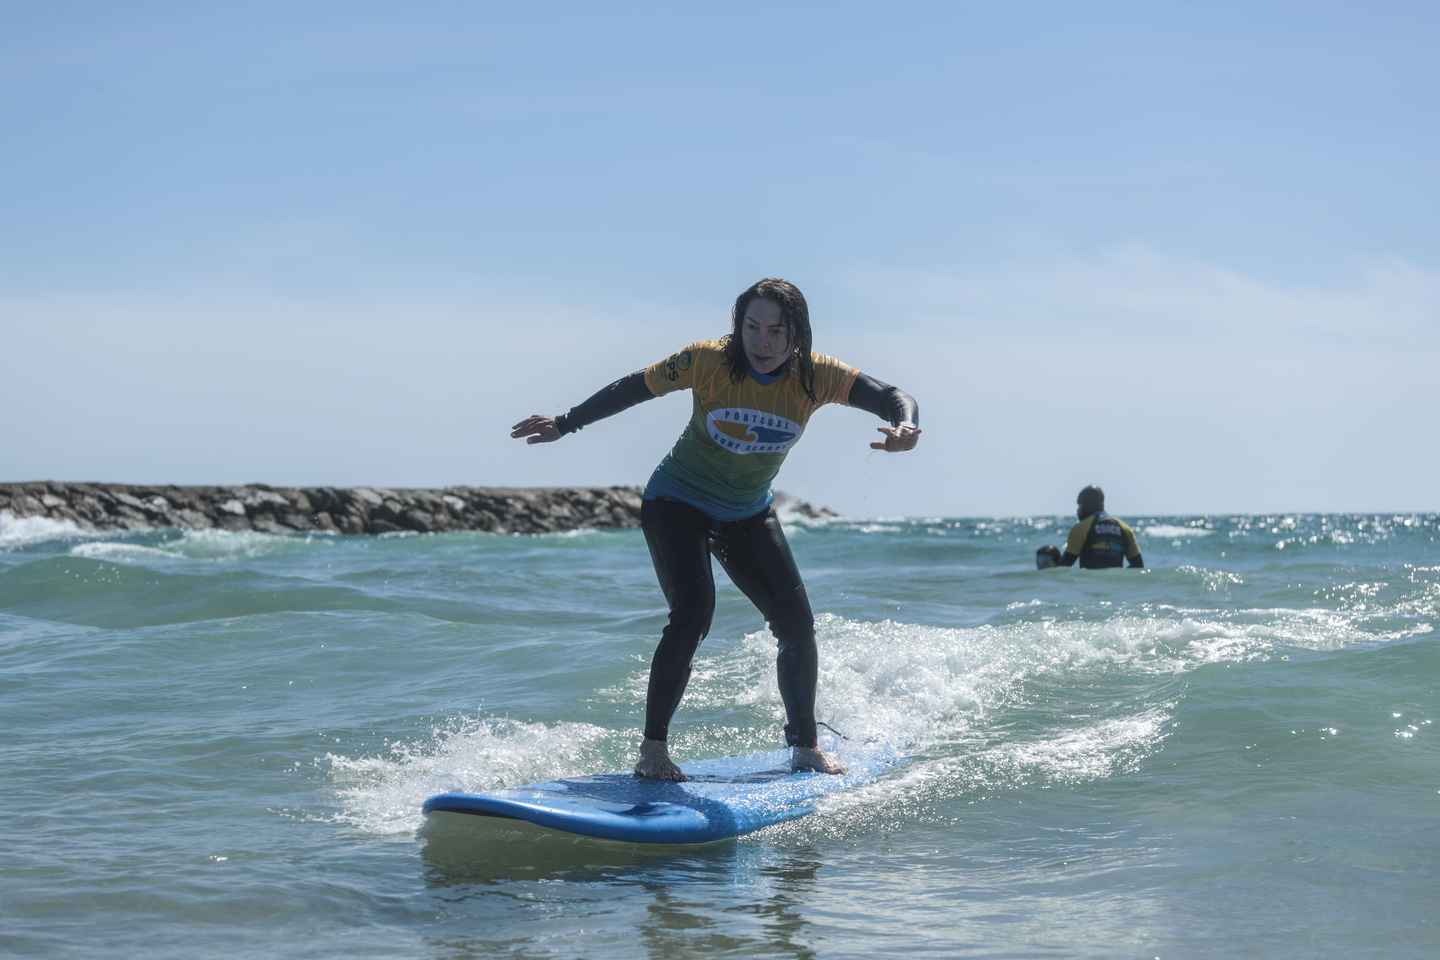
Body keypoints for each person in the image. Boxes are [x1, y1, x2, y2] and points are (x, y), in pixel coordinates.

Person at [511, 278, 921, 781]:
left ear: (798, 333)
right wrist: (566, 422)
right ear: (738, 327)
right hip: (676, 501)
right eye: (752, 328)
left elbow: (891, 395)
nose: (762, 342)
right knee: (693, 614)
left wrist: (905, 426)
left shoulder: (817, 377)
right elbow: (633, 388)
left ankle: (805, 748)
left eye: (776, 330)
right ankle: (653, 751)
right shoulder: (706, 361)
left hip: (747, 512)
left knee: (796, 627)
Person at [1038, 485, 1143, 569]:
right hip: (1113, 588)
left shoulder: (1081, 528)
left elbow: (1066, 565)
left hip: (1090, 587)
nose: (1077, 510)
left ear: (1087, 504)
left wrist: (1049, 565)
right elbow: (1138, 565)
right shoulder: (1124, 528)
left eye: (1080, 505)